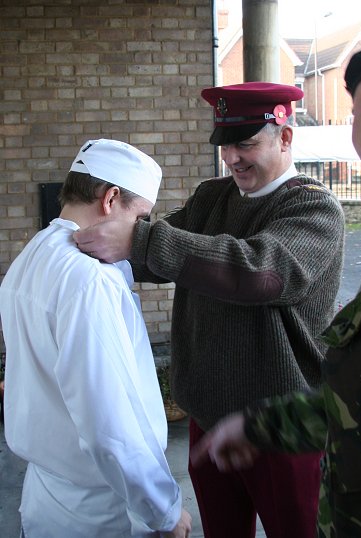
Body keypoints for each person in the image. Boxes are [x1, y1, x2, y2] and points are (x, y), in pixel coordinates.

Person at [191, 8, 361, 538]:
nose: (351, 139)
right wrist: (267, 427)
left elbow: (260, 272)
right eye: (228, 147)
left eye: (351, 116)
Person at [74, 83, 345, 538]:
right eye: (224, 145)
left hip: (283, 427)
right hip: (209, 417)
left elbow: (263, 272)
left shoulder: (314, 208)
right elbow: (157, 259)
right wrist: (75, 244)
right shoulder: (212, 198)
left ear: (285, 136)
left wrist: (140, 239)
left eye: (245, 143)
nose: (232, 157)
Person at [0, 139, 192, 538]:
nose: (139, 229)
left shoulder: (32, 254)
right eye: (140, 217)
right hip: (102, 514)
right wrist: (165, 512)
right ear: (111, 199)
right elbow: (111, 429)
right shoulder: (89, 279)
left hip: (47, 499)